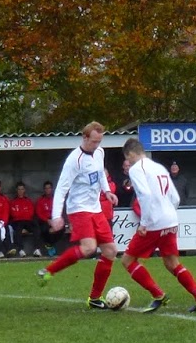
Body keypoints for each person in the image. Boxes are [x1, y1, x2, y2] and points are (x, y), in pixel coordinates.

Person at [119, 136, 196, 312]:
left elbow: (144, 195)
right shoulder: (159, 167)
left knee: (127, 260)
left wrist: (144, 223)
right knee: (171, 263)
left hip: (153, 223)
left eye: (127, 158)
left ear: (131, 153)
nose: (128, 162)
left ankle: (158, 295)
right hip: (170, 219)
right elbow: (175, 197)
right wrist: (168, 213)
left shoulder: (137, 169)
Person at [37, 122, 120, 307]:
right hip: (79, 209)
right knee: (89, 248)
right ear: (84, 137)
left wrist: (106, 191)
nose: (96, 145)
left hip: (96, 208)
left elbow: (99, 175)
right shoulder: (74, 160)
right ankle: (48, 271)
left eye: (99, 141)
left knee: (110, 251)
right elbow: (61, 189)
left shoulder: (100, 152)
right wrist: (57, 215)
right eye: (93, 141)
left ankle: (95, 298)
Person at [10, 181, 40, 255]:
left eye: (22, 189)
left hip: (27, 221)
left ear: (24, 190)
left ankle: (37, 249)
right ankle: (21, 250)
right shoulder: (13, 202)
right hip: (17, 222)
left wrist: (21, 214)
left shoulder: (28, 201)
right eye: (19, 189)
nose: (20, 191)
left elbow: (31, 213)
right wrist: (23, 213)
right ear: (16, 190)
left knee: (36, 226)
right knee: (18, 227)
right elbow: (14, 214)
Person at [35, 179, 63, 256]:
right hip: (44, 220)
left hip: (54, 219)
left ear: (52, 189)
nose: (48, 190)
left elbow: (60, 210)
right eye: (46, 188)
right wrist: (47, 220)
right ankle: (50, 245)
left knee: (62, 228)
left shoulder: (55, 200)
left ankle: (50, 244)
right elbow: (39, 213)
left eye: (49, 188)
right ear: (44, 190)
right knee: (44, 229)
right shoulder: (40, 200)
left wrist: (55, 220)